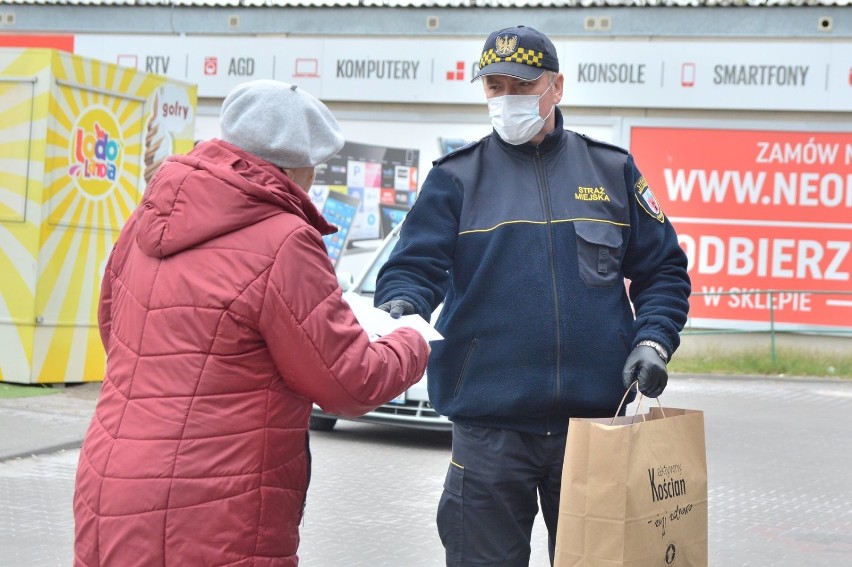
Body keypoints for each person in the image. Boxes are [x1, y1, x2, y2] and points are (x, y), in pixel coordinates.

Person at [73, 79, 430, 566]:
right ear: (294, 166)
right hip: (216, 504)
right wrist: (410, 338)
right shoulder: (284, 240)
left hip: (110, 482)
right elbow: (350, 382)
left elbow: (115, 328)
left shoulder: (148, 216)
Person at [374, 25, 691, 566]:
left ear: (556, 87)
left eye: (520, 86)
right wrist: (401, 309)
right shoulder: (455, 179)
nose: (506, 99)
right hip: (488, 431)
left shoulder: (611, 171)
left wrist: (655, 341)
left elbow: (663, 271)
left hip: (596, 430)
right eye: (494, 87)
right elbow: (411, 270)